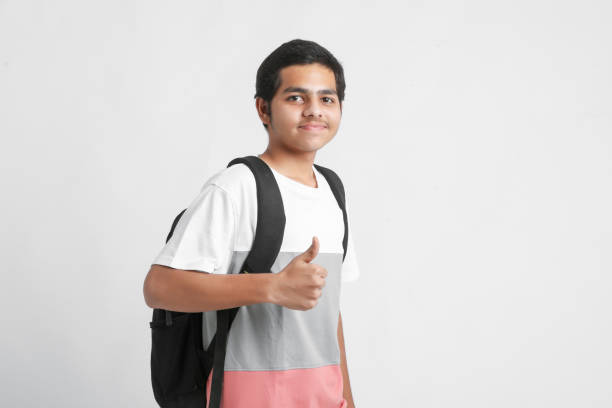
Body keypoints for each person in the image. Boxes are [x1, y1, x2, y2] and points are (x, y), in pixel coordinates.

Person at [143, 38, 360, 408]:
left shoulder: (332, 192)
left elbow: (327, 313)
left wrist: (346, 399)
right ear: (263, 108)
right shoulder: (236, 188)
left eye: (327, 99)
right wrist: (270, 287)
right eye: (295, 98)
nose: (313, 111)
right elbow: (158, 287)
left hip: (321, 397)